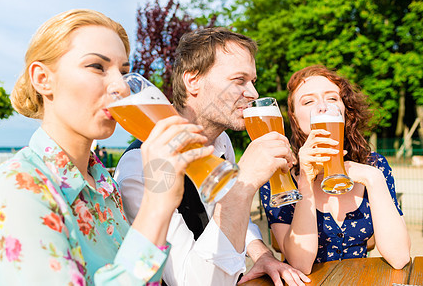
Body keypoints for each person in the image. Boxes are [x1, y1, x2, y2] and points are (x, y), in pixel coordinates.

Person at [0, 9, 214, 285]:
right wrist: (157, 203)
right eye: (97, 67)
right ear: (42, 79)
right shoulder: (16, 188)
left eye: (123, 71)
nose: (121, 87)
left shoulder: (104, 185)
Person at [115, 27, 310, 286]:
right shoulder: (139, 165)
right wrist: (245, 183)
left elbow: (227, 210)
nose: (253, 93)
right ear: (192, 81)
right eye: (239, 80)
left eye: (253, 81)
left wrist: (261, 254)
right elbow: (186, 281)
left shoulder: (221, 140)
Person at [261, 65, 411, 274]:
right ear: (294, 117)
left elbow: (399, 257)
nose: (322, 106)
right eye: (308, 101)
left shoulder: (374, 166)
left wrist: (373, 178)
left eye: (332, 98)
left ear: (344, 111)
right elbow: (300, 265)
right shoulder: (279, 175)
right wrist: (305, 182)